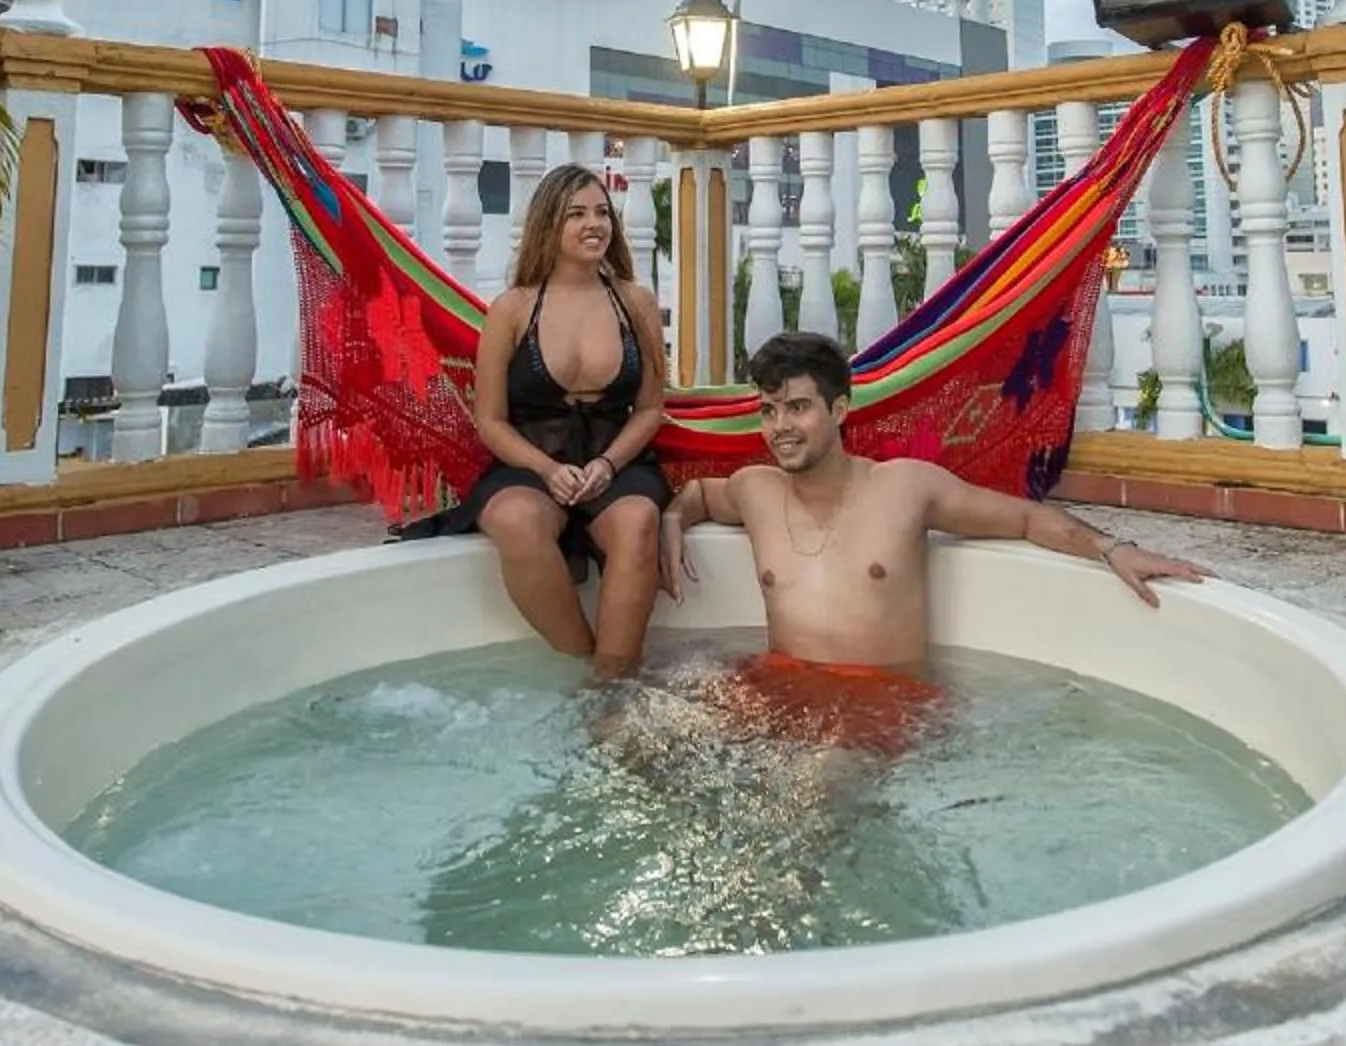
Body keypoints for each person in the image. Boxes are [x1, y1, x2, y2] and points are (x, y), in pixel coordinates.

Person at [659, 329, 1208, 745]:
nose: (780, 426)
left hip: (879, 704)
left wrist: (1113, 548)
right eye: (769, 410)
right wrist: (671, 521)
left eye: (798, 408)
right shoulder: (756, 490)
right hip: (780, 690)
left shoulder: (904, 487)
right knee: (636, 730)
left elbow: (1024, 519)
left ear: (839, 410)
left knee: (813, 794)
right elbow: (700, 496)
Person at [442, 164, 670, 677]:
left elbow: (652, 408)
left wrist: (609, 465)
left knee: (638, 521)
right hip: (531, 461)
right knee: (513, 520)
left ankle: (613, 678)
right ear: (549, 224)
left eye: (601, 212)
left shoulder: (636, 302)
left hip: (616, 458)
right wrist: (547, 471)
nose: (595, 224)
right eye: (577, 214)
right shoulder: (513, 308)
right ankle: (585, 666)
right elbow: (491, 421)